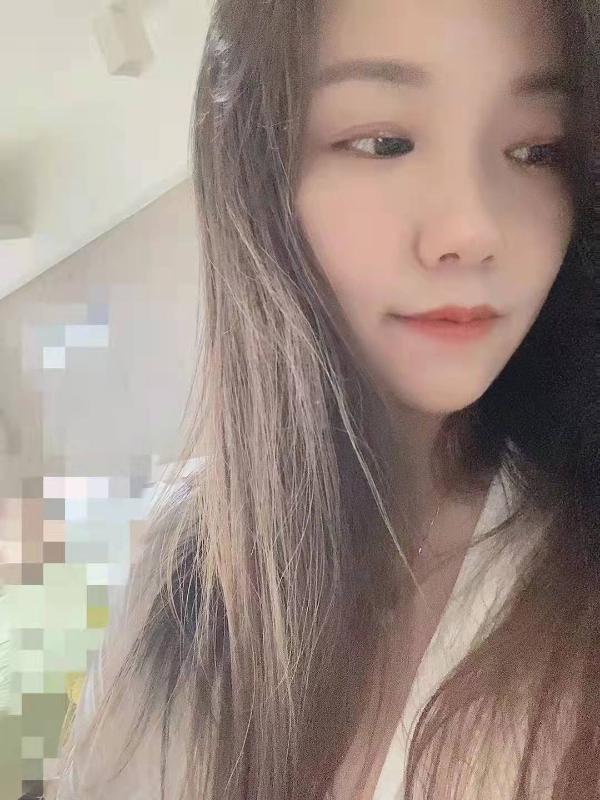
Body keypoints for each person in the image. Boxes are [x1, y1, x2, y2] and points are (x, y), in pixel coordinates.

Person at [44, 0, 600, 797]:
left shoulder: (571, 559)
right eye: (384, 143)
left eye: (537, 150)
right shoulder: (175, 563)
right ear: (259, 178)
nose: (474, 228)